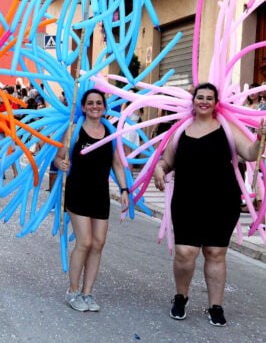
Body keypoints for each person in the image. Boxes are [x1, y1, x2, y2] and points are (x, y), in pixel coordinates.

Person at [153, 83, 265, 327]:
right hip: (186, 199)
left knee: (215, 253)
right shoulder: (181, 129)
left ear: (216, 102)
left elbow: (249, 152)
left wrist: (260, 139)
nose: (204, 101)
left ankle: (215, 306)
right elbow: (166, 160)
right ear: (193, 101)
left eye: (209, 98)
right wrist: (160, 170)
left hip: (221, 199)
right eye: (200, 97)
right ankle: (181, 297)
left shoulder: (227, 128)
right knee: (185, 252)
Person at [55, 89, 129, 312]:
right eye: (90, 103)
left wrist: (124, 189)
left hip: (100, 194)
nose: (94, 106)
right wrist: (61, 164)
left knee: (98, 244)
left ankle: (87, 293)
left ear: (104, 107)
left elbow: (117, 163)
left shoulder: (110, 132)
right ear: (84, 107)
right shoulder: (74, 130)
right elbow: (58, 157)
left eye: (98, 103)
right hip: (77, 191)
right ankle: (73, 291)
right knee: (84, 242)